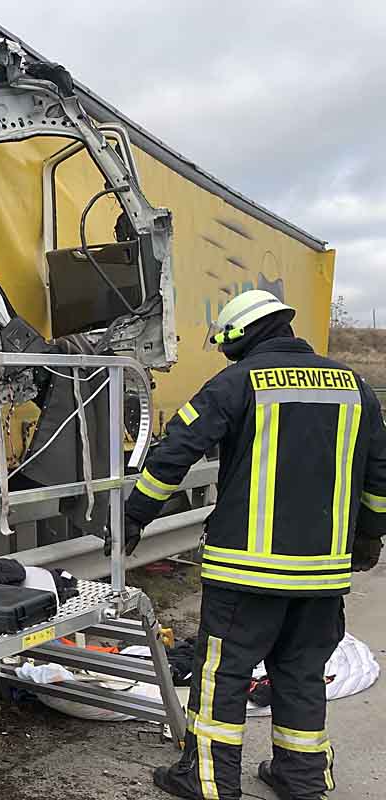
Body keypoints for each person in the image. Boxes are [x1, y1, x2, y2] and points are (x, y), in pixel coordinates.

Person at [119, 289, 386, 800]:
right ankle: (301, 778)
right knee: (302, 672)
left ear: (239, 337)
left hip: (246, 573)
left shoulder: (236, 383)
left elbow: (174, 452)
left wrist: (134, 517)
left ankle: (208, 779)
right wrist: (371, 536)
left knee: (224, 674)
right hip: (323, 574)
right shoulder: (355, 387)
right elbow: (380, 475)